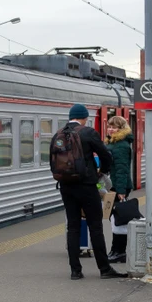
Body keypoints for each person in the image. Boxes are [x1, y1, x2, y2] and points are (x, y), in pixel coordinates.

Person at [50, 104, 124, 280]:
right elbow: (106, 156)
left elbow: (53, 162)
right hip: (87, 185)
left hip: (66, 186)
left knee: (73, 227)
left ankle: (75, 271)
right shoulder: (88, 132)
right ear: (84, 117)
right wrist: (101, 172)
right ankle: (104, 269)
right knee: (95, 227)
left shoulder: (58, 134)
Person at [105, 115, 135, 263]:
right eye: (109, 126)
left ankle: (119, 252)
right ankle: (116, 250)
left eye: (114, 127)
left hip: (118, 187)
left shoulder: (121, 146)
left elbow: (122, 170)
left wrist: (121, 191)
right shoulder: (113, 143)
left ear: (121, 129)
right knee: (115, 220)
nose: (110, 129)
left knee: (118, 220)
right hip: (115, 186)